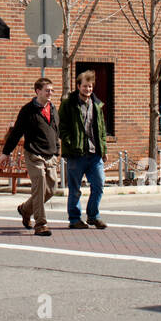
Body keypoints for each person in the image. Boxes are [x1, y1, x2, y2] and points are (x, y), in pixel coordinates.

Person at [3, 77, 60, 236]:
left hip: (50, 155)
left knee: (52, 189)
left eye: (52, 90)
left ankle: (25, 209)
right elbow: (16, 133)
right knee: (39, 186)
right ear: (38, 91)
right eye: (47, 90)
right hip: (34, 154)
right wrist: (6, 152)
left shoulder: (53, 109)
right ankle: (41, 224)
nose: (50, 93)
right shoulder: (27, 110)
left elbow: (56, 132)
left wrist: (56, 151)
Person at [59, 70, 107, 229]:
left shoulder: (97, 105)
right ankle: (74, 219)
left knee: (99, 184)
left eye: (90, 86)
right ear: (78, 86)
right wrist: (70, 143)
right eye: (85, 86)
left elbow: (101, 129)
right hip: (76, 154)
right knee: (75, 189)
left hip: (95, 154)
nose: (88, 89)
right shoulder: (68, 104)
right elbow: (61, 126)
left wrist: (103, 149)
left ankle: (93, 215)